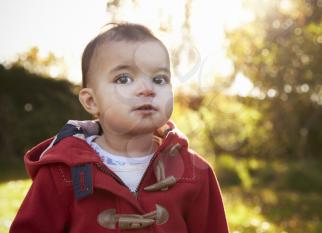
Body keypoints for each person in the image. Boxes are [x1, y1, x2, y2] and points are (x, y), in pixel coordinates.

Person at [10, 23, 229, 233]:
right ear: (91, 101)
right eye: (124, 79)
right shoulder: (62, 172)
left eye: (159, 79)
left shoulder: (194, 173)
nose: (146, 89)